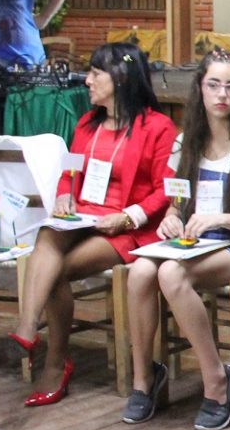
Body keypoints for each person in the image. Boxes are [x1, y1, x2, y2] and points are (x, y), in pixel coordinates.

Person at [121, 50, 230, 430]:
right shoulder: (186, 143)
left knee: (170, 274)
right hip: (196, 243)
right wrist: (171, 218)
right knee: (141, 271)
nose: (222, 94)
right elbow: (176, 204)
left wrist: (222, 218)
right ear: (200, 88)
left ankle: (217, 380)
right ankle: (144, 378)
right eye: (214, 85)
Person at [11, 43, 175, 407]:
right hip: (82, 215)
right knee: (48, 232)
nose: (87, 81)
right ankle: (28, 327)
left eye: (95, 74)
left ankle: (55, 363)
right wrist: (64, 196)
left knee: (55, 271)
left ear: (120, 78)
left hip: (127, 227)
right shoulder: (88, 124)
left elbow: (165, 189)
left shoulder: (157, 127)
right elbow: (70, 172)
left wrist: (128, 216)